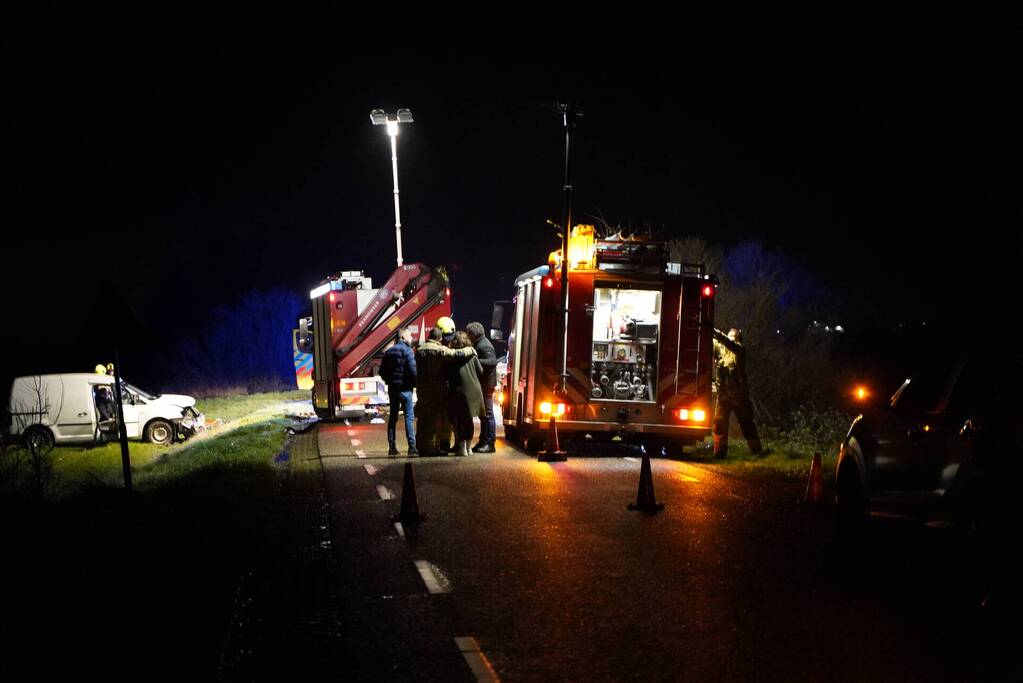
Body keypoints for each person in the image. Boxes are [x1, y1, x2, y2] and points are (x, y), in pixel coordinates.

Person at [414, 325, 477, 455]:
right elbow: (456, 354)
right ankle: (433, 447)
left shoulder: (419, 351)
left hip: (422, 389)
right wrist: (470, 349)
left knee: (423, 417)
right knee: (436, 418)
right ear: (439, 338)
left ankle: (421, 446)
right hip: (437, 389)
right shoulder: (439, 350)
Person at [711, 327, 763, 458]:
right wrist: (706, 329)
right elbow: (712, 342)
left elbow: (728, 343)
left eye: (732, 336)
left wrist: (715, 331)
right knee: (719, 424)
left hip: (740, 396)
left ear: (737, 339)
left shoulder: (739, 350)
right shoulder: (721, 349)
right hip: (723, 396)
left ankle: (757, 451)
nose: (729, 337)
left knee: (747, 424)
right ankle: (719, 453)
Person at [379, 327, 418, 456]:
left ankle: (392, 447)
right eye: (409, 336)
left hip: (393, 389)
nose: (411, 338)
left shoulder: (389, 352)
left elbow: (382, 371)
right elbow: (413, 371)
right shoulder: (408, 351)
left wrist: (389, 381)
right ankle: (412, 448)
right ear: (403, 337)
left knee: (393, 418)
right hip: (406, 389)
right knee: (409, 417)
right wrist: (414, 383)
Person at [447, 331, 485, 457]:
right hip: (474, 390)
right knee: (469, 420)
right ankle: (469, 448)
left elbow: (446, 374)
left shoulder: (452, 358)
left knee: (460, 420)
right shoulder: (473, 356)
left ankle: (462, 449)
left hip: (460, 391)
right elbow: (480, 370)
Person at [465, 321, 498, 453]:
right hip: (484, 384)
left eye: (468, 333)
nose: (467, 336)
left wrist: (475, 361)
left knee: (487, 414)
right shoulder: (480, 343)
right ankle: (483, 440)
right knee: (483, 414)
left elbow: (492, 362)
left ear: (473, 334)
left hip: (486, 384)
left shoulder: (484, 345)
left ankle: (489, 442)